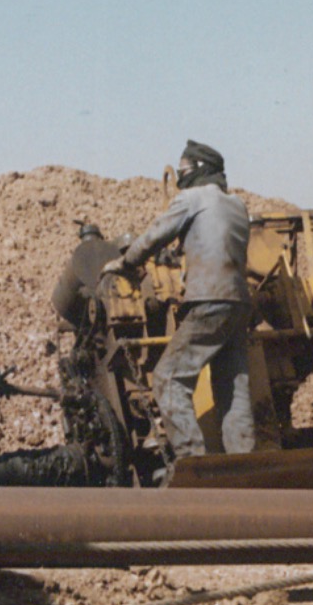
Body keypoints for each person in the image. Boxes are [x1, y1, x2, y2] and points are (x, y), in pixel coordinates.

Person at [102, 140, 254, 459]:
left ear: (197, 170)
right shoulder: (238, 205)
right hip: (239, 304)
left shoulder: (192, 198)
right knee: (233, 387)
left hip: (208, 299)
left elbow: (156, 234)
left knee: (168, 377)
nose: (181, 175)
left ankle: (192, 459)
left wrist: (126, 262)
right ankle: (244, 459)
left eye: (183, 168)